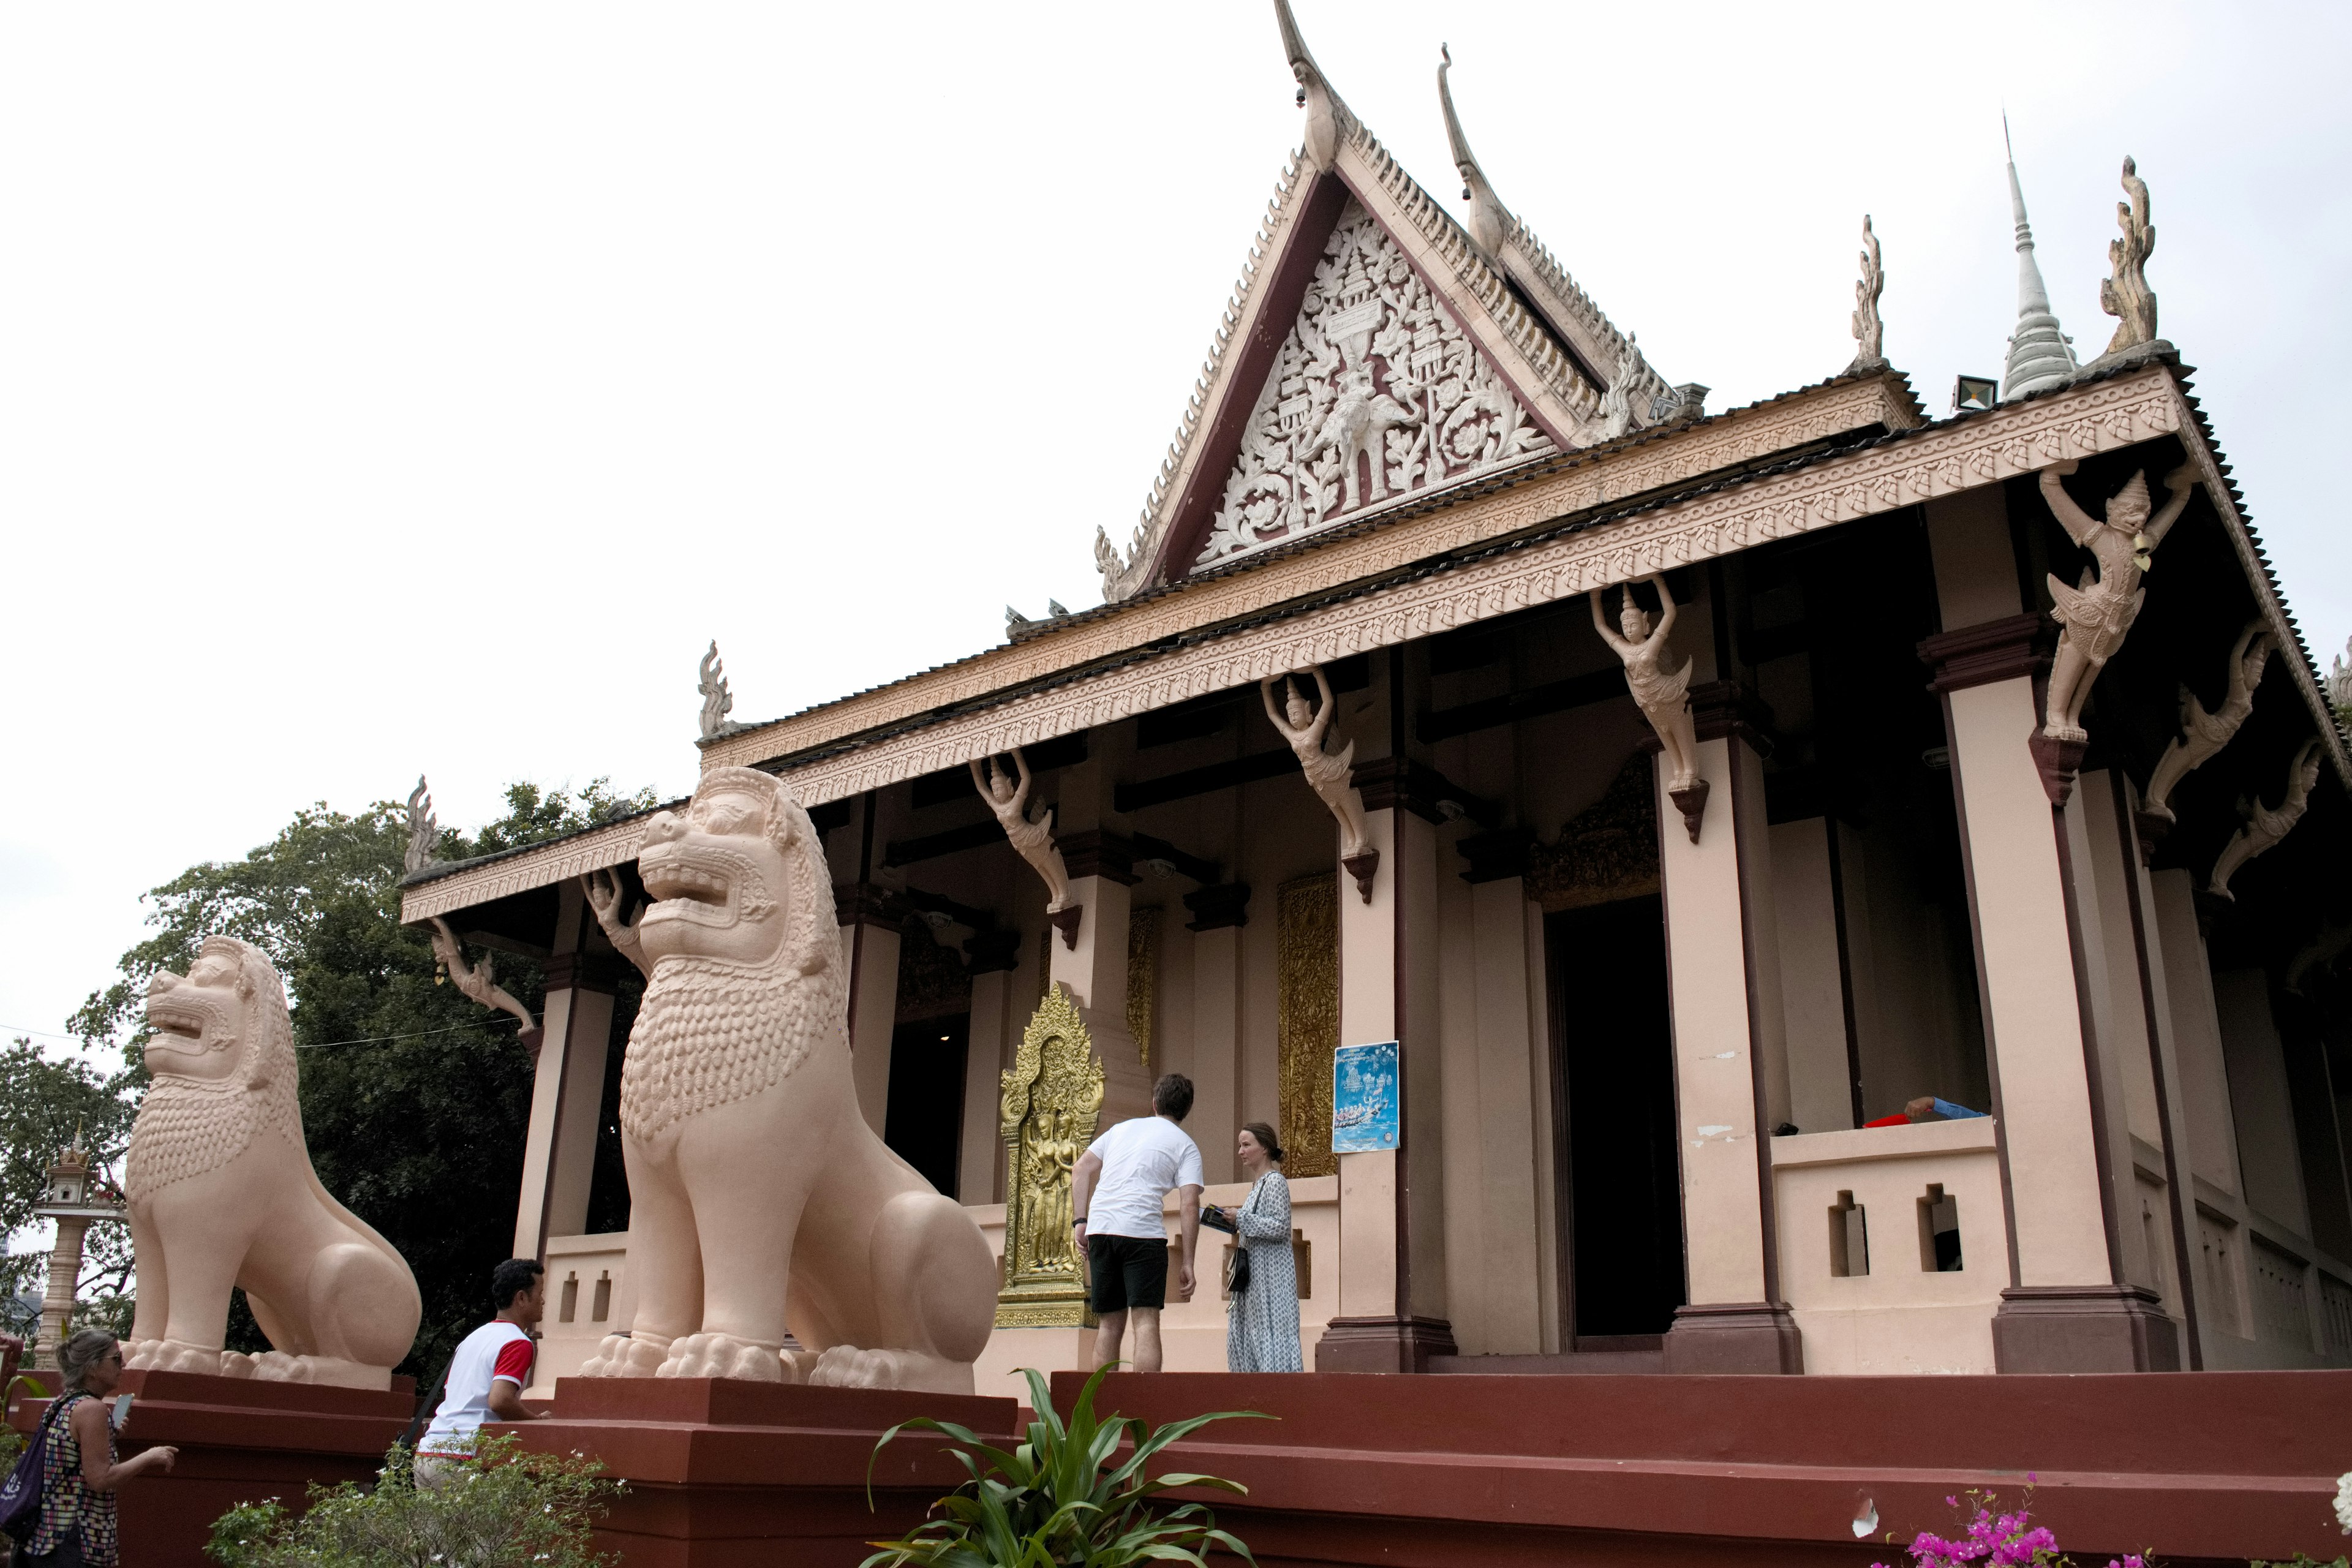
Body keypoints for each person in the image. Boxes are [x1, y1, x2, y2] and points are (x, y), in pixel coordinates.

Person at [1071, 1073, 1203, 1373]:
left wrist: (1081, 1221)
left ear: (1154, 1103)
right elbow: (1189, 1204)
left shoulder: (1121, 1130)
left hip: (1102, 1230)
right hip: (1143, 1233)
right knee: (1144, 1322)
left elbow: (1080, 1169)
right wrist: (1189, 1261)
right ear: (1185, 1111)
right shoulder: (1186, 1145)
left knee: (1108, 1325)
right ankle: (1144, 1408)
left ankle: (1101, 1410)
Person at [21, 1329, 178, 1567]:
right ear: (92, 1368)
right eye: (116, 1359)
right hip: (75, 1542)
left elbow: (71, 1458)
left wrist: (108, 1434)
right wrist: (150, 1456)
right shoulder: (92, 1410)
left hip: (43, 1539)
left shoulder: (64, 1403)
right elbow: (100, 1479)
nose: (123, 1363)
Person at [413, 1257, 546, 1488]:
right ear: (522, 1298)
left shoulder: (470, 1340)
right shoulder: (518, 1343)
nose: (543, 1301)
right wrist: (536, 1421)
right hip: (464, 1460)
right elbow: (500, 1400)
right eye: (540, 1293)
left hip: (428, 1453)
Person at [1211, 1123, 1303, 1373]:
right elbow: (1259, 1225)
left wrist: (1240, 1218)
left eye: (1246, 1145)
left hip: (1271, 1277)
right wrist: (1231, 1220)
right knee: (1252, 1332)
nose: (1241, 1151)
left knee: (1271, 1331)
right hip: (1255, 1278)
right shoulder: (1258, 1186)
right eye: (1240, 1145)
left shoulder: (1275, 1182)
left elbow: (1280, 1226)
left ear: (1264, 1148)